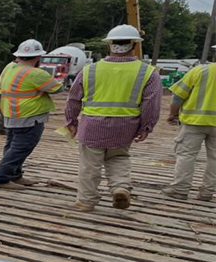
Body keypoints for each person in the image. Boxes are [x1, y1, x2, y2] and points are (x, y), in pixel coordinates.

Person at [65, 25, 161, 211]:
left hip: (92, 125)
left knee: (90, 165)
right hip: (125, 127)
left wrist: (71, 121)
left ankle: (86, 201)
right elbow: (151, 104)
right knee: (118, 158)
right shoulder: (148, 72)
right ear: (134, 44)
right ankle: (120, 187)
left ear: (109, 44)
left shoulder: (89, 70)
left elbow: (73, 99)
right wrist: (146, 126)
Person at [0, 39, 64, 189]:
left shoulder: (10, 68)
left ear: (18, 56)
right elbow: (57, 88)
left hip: (11, 114)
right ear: (38, 57)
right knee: (21, 148)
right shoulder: (37, 74)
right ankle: (0, 178)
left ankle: (14, 175)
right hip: (29, 117)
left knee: (12, 146)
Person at [162, 61, 215, 201]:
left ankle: (180, 189)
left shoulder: (199, 71)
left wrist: (173, 114)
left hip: (194, 122)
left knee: (186, 155)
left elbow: (178, 96)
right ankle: (207, 192)